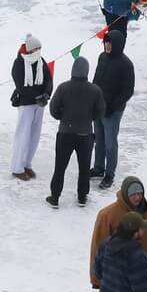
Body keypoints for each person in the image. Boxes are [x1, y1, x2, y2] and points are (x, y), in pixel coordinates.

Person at [44, 58, 104, 208]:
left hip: (65, 133)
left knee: (60, 167)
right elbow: (101, 111)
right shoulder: (95, 90)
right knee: (84, 168)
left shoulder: (63, 88)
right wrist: (88, 119)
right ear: (86, 71)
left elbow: (53, 108)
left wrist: (63, 118)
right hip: (85, 135)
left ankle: (55, 197)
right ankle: (82, 197)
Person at [91, 175, 147, 282]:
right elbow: (98, 248)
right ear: (125, 195)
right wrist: (97, 279)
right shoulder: (107, 215)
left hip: (142, 273)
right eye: (133, 194)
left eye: (140, 193)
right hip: (116, 279)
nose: (137, 198)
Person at [90, 27, 134, 190]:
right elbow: (96, 79)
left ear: (118, 44)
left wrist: (112, 107)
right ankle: (98, 168)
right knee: (99, 139)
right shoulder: (102, 57)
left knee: (110, 142)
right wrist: (92, 99)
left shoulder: (126, 64)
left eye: (110, 43)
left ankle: (109, 173)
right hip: (98, 106)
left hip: (113, 111)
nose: (107, 46)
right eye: (106, 43)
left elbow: (128, 91)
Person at [9, 34, 51, 182]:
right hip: (26, 104)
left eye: (40, 49)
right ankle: (17, 167)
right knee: (23, 135)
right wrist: (36, 97)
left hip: (40, 104)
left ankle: (26, 163)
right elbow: (21, 86)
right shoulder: (19, 63)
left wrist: (46, 94)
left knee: (34, 136)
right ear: (31, 50)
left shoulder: (40, 61)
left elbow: (48, 79)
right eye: (37, 49)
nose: (39, 51)